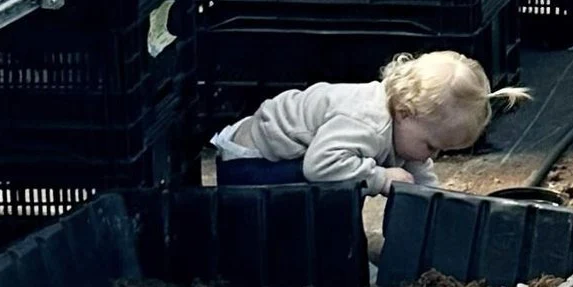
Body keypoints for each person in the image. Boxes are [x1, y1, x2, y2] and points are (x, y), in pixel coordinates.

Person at [207, 51, 520, 194]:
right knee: (337, 184)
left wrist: (435, 200)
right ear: (405, 112)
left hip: (279, 158)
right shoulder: (368, 122)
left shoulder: (404, 122)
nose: (431, 157)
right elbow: (319, 166)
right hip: (251, 166)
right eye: (431, 145)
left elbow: (418, 172)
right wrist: (381, 177)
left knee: (351, 177)